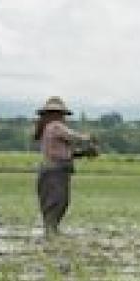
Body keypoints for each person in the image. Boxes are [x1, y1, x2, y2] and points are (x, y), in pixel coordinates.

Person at [33, 96, 96, 236]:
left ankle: (51, 229)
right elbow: (75, 137)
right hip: (56, 170)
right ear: (56, 114)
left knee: (53, 201)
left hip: (52, 169)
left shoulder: (46, 129)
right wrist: (89, 138)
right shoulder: (56, 126)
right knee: (57, 201)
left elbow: (66, 153)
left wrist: (83, 153)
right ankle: (51, 230)